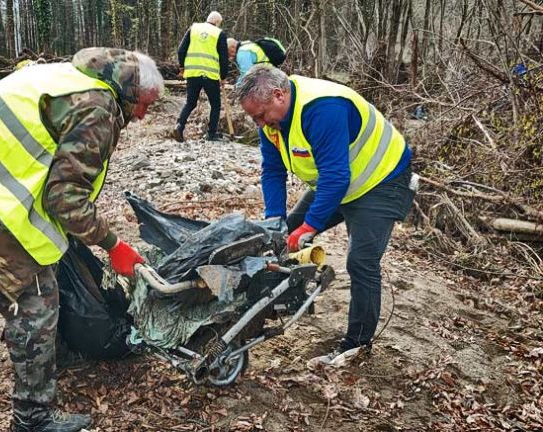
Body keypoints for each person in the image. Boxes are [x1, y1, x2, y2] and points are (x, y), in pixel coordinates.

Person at [0, 48, 163, 432]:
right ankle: (32, 417)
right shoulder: (98, 107)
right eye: (145, 105)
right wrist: (114, 245)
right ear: (130, 91)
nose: (144, 116)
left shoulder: (75, 76)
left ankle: (48, 354)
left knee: (23, 278)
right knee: (34, 299)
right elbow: (64, 197)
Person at [236, 64, 415, 367]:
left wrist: (310, 226)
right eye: (254, 117)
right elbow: (273, 171)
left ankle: (356, 345)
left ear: (279, 95)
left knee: (361, 262)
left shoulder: (323, 108)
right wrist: (276, 221)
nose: (259, 123)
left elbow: (335, 176)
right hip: (340, 183)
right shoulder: (271, 123)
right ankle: (274, 304)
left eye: (261, 115)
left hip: (382, 182)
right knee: (281, 234)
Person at [173, 11, 229, 142]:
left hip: (192, 73)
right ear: (217, 22)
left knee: (190, 102)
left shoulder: (193, 29)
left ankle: (179, 125)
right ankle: (211, 133)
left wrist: (182, 66)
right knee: (215, 104)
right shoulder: (218, 34)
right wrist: (223, 76)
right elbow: (223, 58)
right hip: (210, 75)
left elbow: (181, 50)